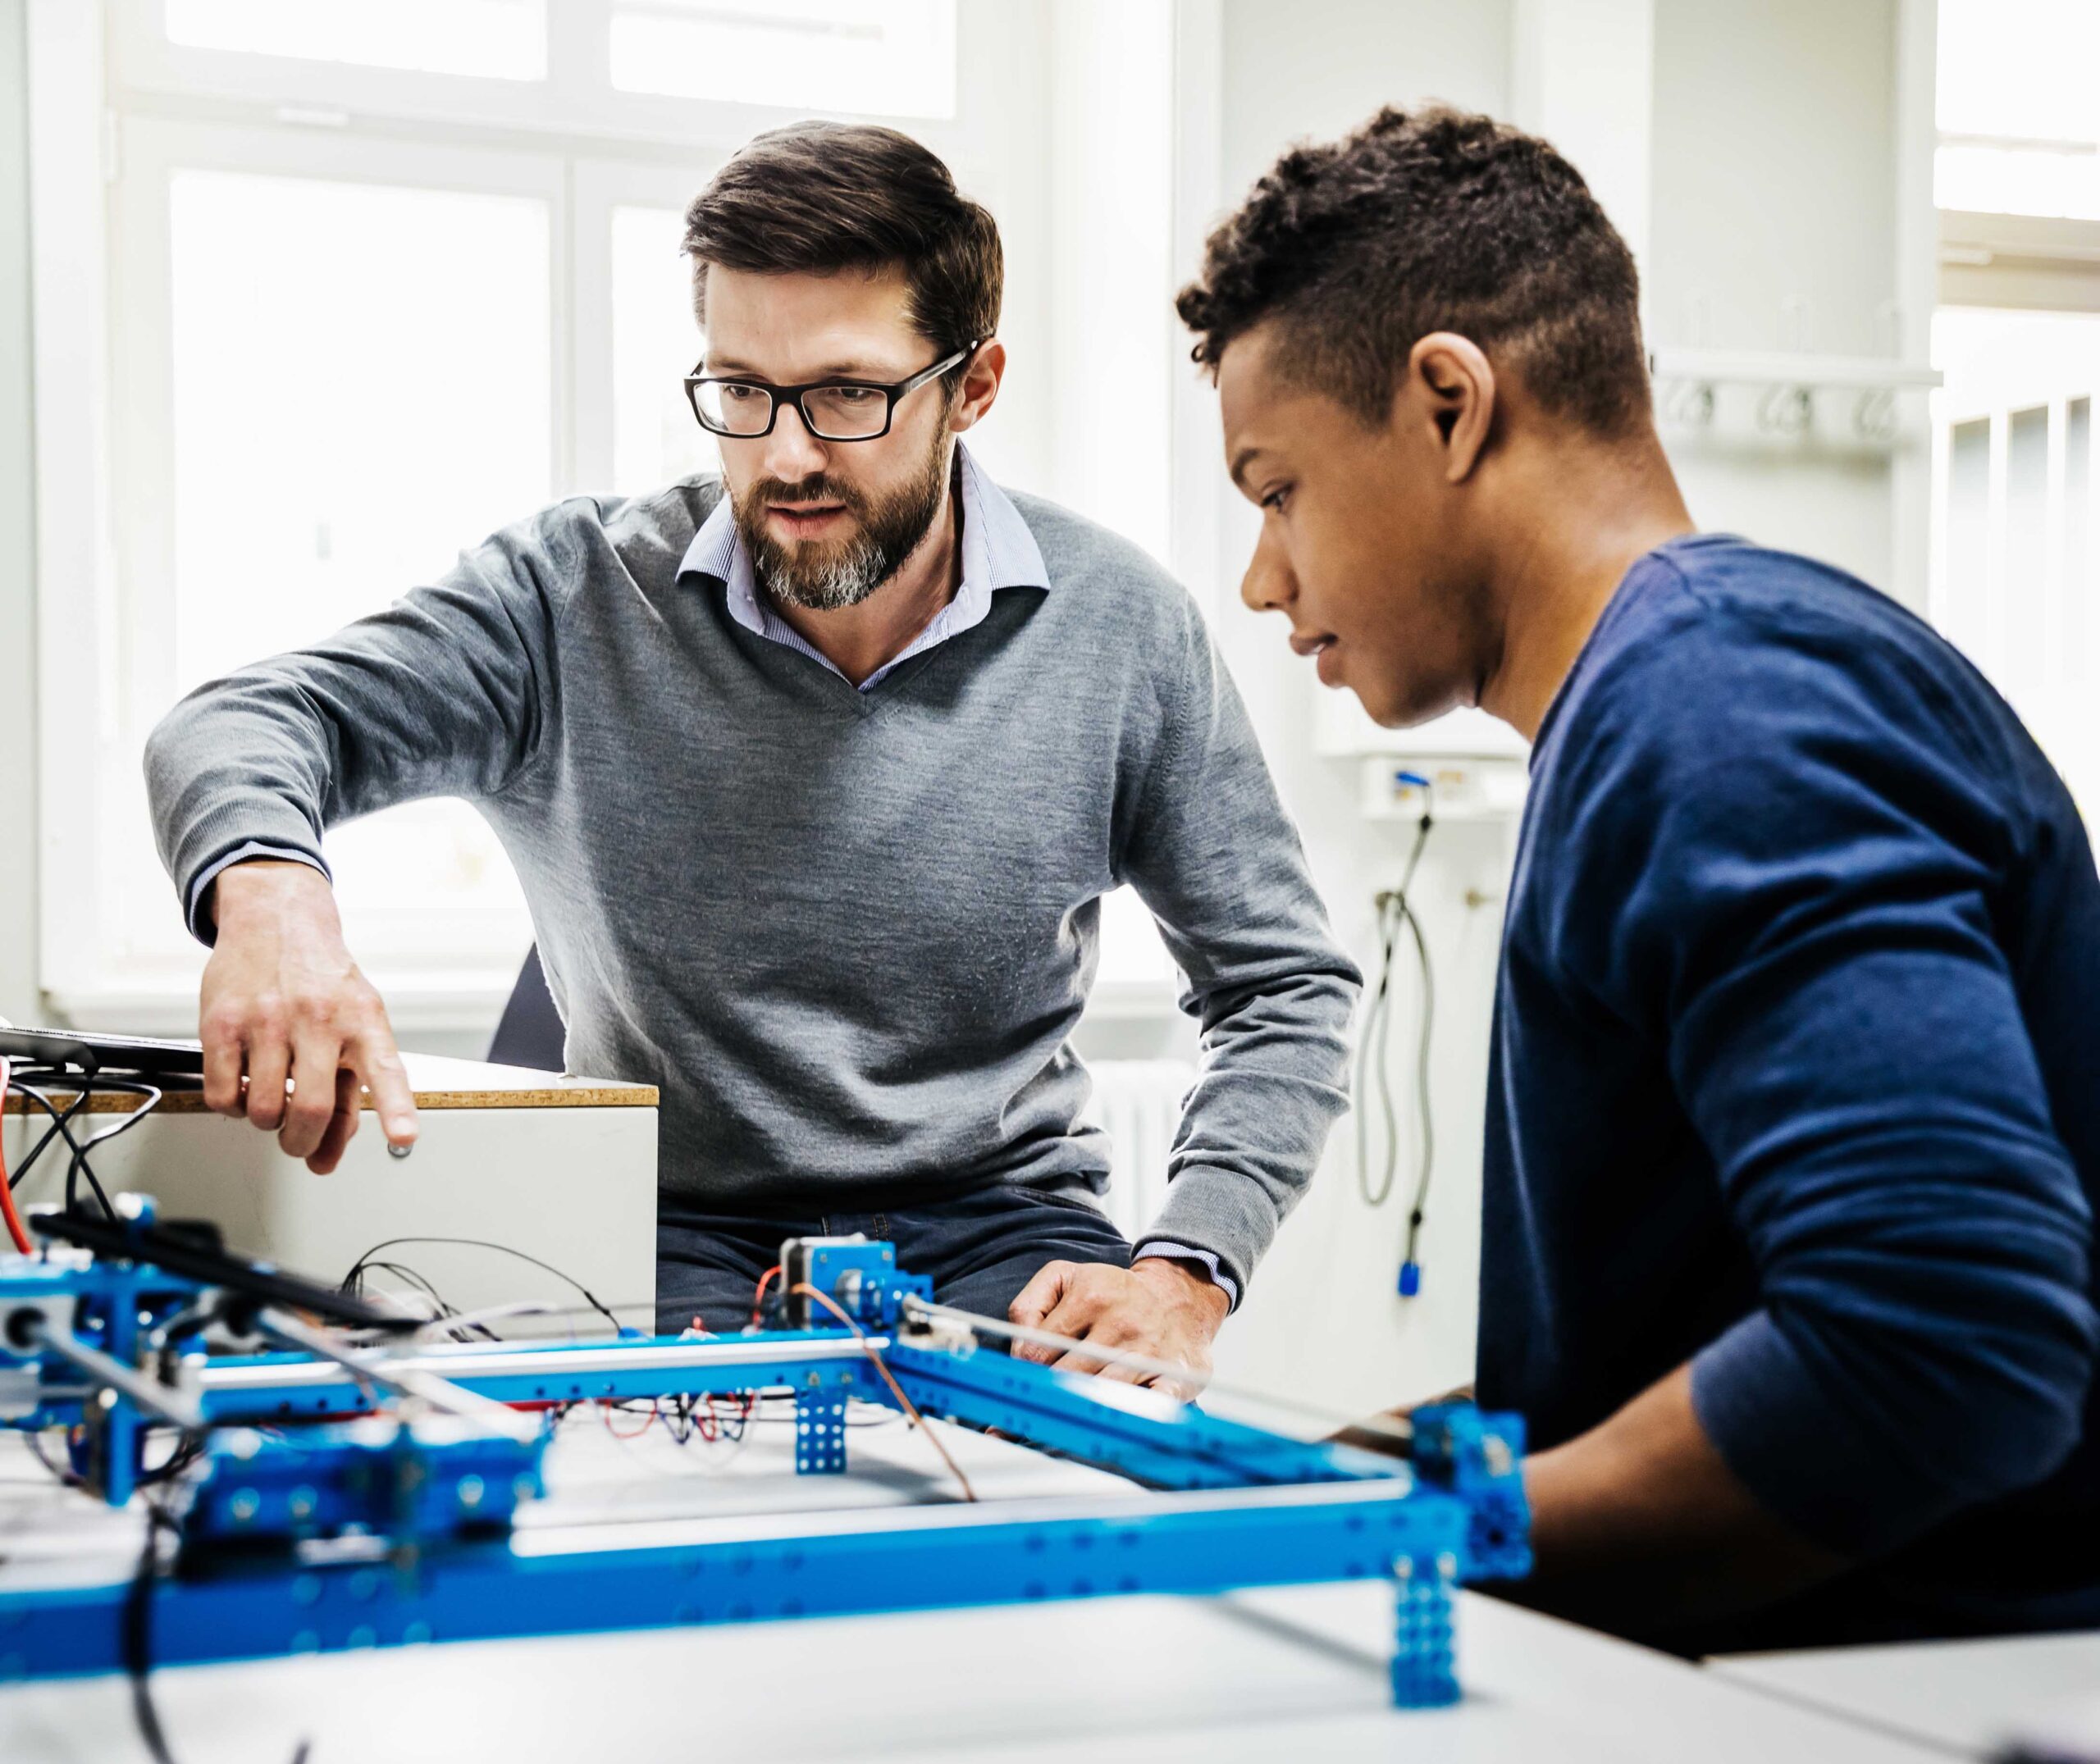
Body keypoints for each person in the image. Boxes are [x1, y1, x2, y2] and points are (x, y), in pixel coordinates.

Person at [145, 121, 1359, 1383]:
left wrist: (1187, 1268)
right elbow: (238, 722)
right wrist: (274, 897)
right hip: (664, 1230)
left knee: (1085, 1529)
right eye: (740, 392)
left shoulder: (1120, 626)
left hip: (1003, 1231)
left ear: (975, 385)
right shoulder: (570, 598)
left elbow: (1284, 986)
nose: (783, 457)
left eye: (846, 395)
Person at [1176, 104, 2099, 1650]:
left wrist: (1420, 1542)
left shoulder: (1715, 704)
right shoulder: (1665, 699)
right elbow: (1711, 1321)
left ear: (1450, 404)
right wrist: (1374, 1468)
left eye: (1277, 492)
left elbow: (1944, 1334)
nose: (1266, 578)